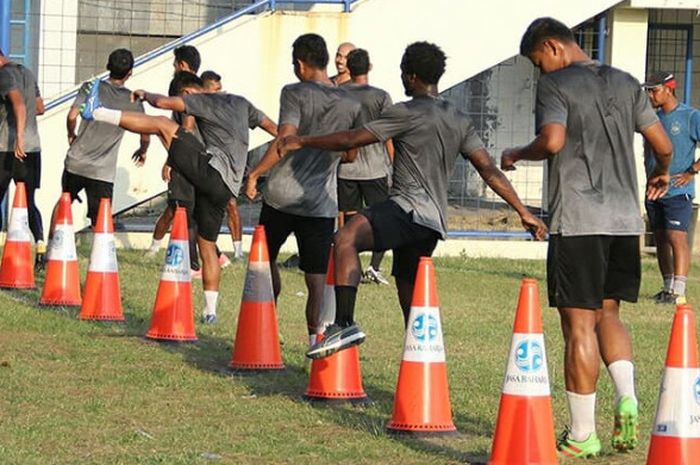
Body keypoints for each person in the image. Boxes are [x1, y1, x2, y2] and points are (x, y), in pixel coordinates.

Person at [277, 41, 547, 359]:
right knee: (408, 291)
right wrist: (523, 212)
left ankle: (345, 323)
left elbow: (352, 138)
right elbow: (488, 170)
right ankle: (421, 358)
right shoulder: (458, 119)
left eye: (404, 73)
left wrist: (302, 140)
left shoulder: (406, 112)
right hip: (432, 222)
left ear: (412, 76)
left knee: (346, 237)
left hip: (407, 209)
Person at [500, 18, 672, 458]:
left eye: (540, 62)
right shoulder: (627, 81)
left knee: (578, 326)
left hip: (578, 219)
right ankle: (627, 394)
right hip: (622, 222)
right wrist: (660, 172)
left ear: (553, 47)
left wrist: (518, 152)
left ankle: (581, 434)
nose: (542, 72)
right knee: (608, 313)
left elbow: (553, 141)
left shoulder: (557, 85)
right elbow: (663, 144)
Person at [244, 33, 362, 347]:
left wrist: (255, 173)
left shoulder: (293, 92)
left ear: (299, 64)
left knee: (264, 262)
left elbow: (284, 140)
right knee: (316, 280)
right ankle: (315, 340)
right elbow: (351, 153)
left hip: (281, 197)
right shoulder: (350, 102)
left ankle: (265, 327)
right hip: (321, 204)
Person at [132, 71, 276, 323]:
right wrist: (259, 171)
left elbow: (174, 116)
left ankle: (100, 114)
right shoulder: (242, 103)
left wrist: (145, 94)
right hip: (229, 186)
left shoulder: (203, 101)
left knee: (161, 126)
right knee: (207, 243)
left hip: (206, 170)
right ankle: (210, 311)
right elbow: (276, 130)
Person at [57, 48, 149, 231]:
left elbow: (72, 116)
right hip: (102, 171)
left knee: (63, 204)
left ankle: (51, 247)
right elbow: (145, 132)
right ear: (130, 72)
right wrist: (143, 150)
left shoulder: (91, 87)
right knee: (101, 219)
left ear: (107, 66)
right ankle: (99, 256)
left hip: (76, 161)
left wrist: (70, 133)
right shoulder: (132, 100)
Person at [338, 48, 394, 285]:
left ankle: (349, 265)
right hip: (375, 169)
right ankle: (374, 266)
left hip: (346, 169)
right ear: (369, 67)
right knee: (381, 218)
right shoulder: (381, 96)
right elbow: (389, 135)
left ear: (348, 68)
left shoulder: (339, 94)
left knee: (349, 220)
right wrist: (394, 163)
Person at [642, 71, 699, 305]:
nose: (651, 95)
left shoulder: (690, 116)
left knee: (677, 237)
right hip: (654, 189)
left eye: (654, 90)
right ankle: (667, 288)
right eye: (648, 91)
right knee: (661, 237)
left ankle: (679, 290)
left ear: (669, 89)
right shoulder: (652, 119)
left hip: (677, 190)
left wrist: (691, 171)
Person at [0, 49, 46, 269]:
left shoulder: (4, 75)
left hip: (8, 147)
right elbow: (39, 107)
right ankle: (40, 247)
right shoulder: (27, 72)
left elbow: (18, 104)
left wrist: (17, 135)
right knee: (29, 201)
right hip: (33, 147)